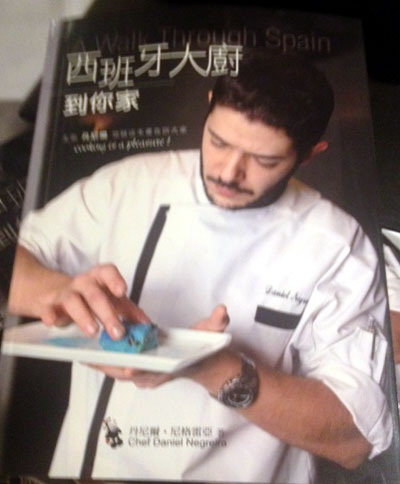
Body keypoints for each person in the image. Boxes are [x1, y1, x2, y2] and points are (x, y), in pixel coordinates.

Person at [7, 52, 392, 483]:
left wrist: (214, 368)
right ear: (208, 106)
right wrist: (56, 290)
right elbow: (19, 259)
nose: (229, 172)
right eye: (218, 141)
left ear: (309, 154)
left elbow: (353, 439)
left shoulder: (337, 245)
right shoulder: (129, 183)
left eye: (264, 161)